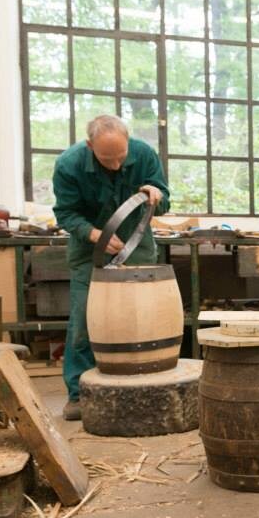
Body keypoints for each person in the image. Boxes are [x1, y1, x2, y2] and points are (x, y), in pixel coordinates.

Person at [52, 115, 170, 421]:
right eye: (107, 159)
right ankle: (79, 393)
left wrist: (156, 195)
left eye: (121, 156)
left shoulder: (142, 154)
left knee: (140, 315)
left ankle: (139, 385)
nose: (117, 165)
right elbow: (65, 213)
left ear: (128, 142)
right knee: (84, 319)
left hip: (137, 241)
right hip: (88, 246)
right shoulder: (69, 165)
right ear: (90, 146)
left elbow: (165, 199)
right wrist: (95, 236)